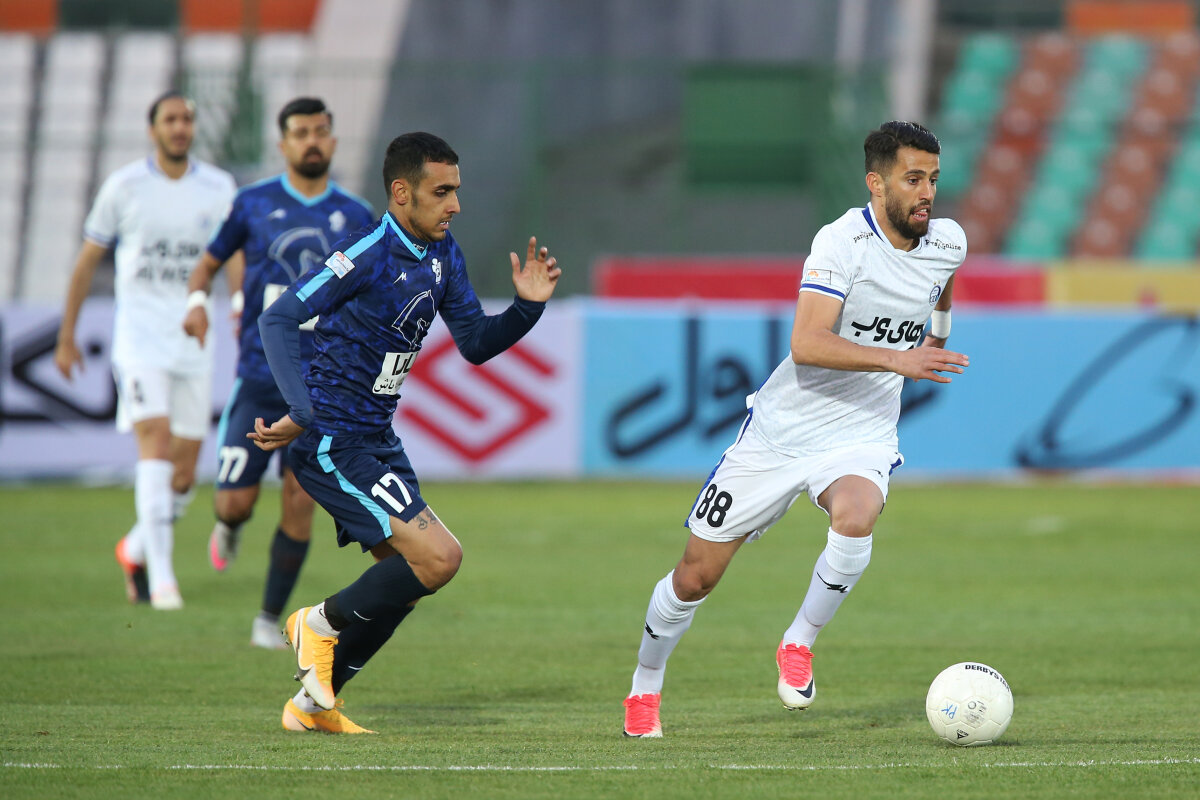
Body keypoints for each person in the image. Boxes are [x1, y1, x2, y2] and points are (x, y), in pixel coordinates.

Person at [621, 121, 970, 738]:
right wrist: (901, 359)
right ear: (876, 182)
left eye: (934, 180)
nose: (927, 194)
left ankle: (799, 641)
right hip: (781, 432)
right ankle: (645, 686)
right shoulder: (840, 243)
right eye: (913, 179)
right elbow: (807, 343)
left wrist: (938, 332)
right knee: (696, 575)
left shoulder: (947, 241)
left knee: (857, 515)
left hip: (861, 428)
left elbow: (942, 280)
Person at [250, 131, 561, 733]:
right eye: (441, 192)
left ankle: (312, 707)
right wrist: (302, 411)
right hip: (334, 440)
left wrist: (526, 308)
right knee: (442, 557)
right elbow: (279, 316)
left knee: (409, 581)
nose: (455, 205)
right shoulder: (366, 252)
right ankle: (314, 623)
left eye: (457, 191)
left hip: (377, 439)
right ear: (401, 192)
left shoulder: (443, 254)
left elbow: (474, 343)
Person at [182, 97, 374, 649]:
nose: (312, 140)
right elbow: (208, 263)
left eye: (321, 131)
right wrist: (197, 301)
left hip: (322, 387)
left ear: (332, 140)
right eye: (301, 132)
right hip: (260, 378)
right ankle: (229, 525)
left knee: (299, 501)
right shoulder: (252, 203)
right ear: (283, 143)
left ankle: (268, 620)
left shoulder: (357, 215)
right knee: (234, 502)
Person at [55, 91, 237, 611]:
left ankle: (134, 549)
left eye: (187, 119)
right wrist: (67, 336)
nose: (180, 127)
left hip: (194, 339)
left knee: (183, 476)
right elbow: (87, 262)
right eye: (170, 119)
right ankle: (163, 582)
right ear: (152, 129)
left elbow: (234, 255)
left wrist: (239, 305)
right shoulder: (124, 186)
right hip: (139, 340)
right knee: (154, 440)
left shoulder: (218, 187)